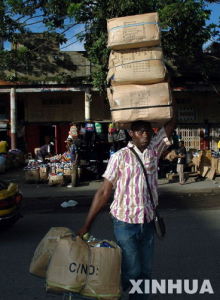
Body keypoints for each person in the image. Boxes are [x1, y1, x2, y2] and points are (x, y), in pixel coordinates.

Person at [77, 119, 175, 299]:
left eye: (147, 131)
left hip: (147, 221)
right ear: (131, 134)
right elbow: (104, 192)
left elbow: (170, 125)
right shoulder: (120, 156)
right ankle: (107, 288)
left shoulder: (154, 151)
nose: (144, 134)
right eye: (139, 131)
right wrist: (87, 224)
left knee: (145, 271)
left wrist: (170, 96)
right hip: (125, 222)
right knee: (133, 269)